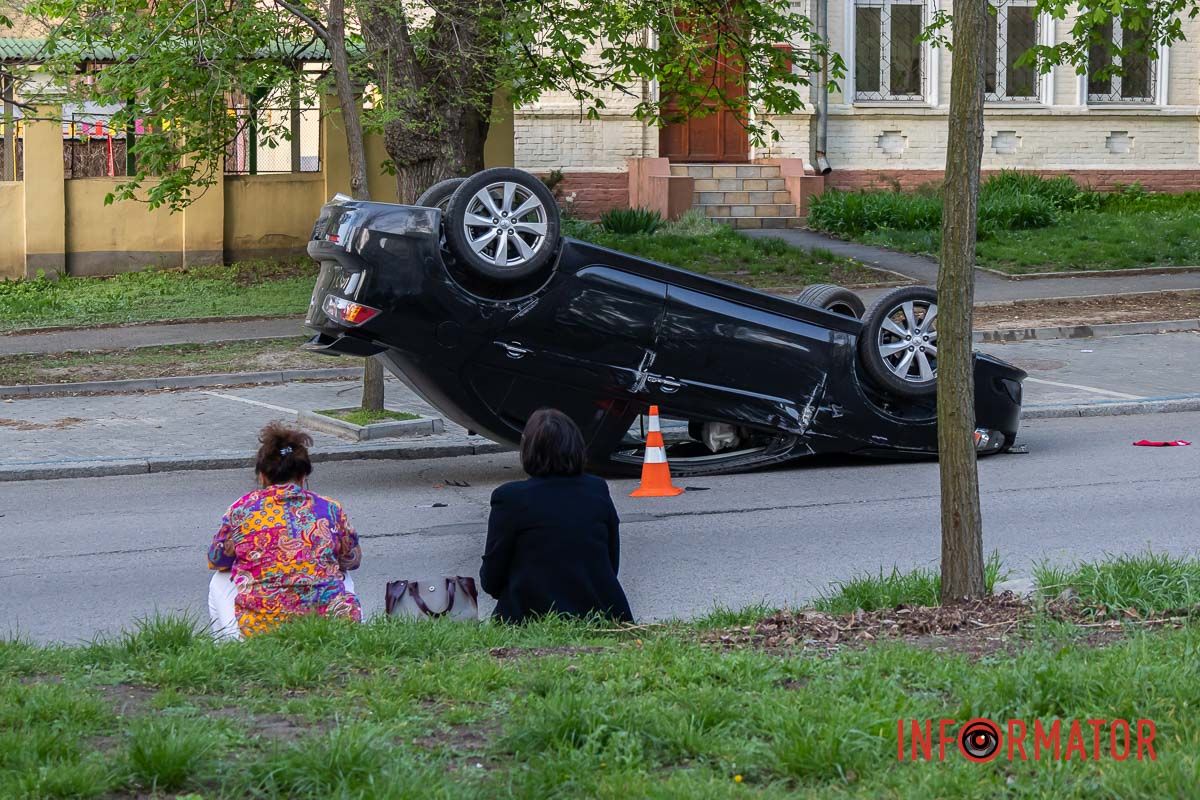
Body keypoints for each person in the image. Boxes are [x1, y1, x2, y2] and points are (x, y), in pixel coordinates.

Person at [207, 423, 362, 640]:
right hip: (329, 626)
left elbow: (217, 560)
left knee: (219, 580)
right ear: (302, 477)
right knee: (341, 573)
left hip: (261, 627)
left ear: (262, 476)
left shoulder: (241, 510)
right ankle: (346, 627)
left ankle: (228, 651)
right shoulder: (330, 508)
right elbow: (352, 560)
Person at [481, 408, 634, 624]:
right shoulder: (596, 489)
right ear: (577, 446)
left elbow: (491, 577)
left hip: (530, 618)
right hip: (599, 614)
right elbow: (610, 561)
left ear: (528, 449)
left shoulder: (510, 498)